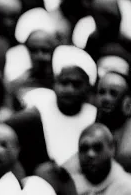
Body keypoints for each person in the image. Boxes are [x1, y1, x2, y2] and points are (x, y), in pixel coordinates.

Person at [7, 45, 97, 174]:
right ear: (54, 83)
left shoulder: (94, 116)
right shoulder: (38, 106)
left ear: (88, 88)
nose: (69, 90)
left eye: (76, 84)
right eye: (64, 83)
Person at [95, 71, 131, 170]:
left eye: (113, 93)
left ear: (127, 102)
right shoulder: (91, 126)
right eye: (102, 92)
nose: (106, 98)